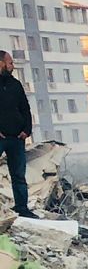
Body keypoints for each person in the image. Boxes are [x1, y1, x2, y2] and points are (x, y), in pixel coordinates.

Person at [0, 52, 32, 218]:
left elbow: (25, 109)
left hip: (17, 138)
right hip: (1, 138)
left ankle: (22, 209)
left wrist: (26, 130)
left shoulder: (15, 84)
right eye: (10, 63)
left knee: (19, 175)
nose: (12, 66)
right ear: (1, 64)